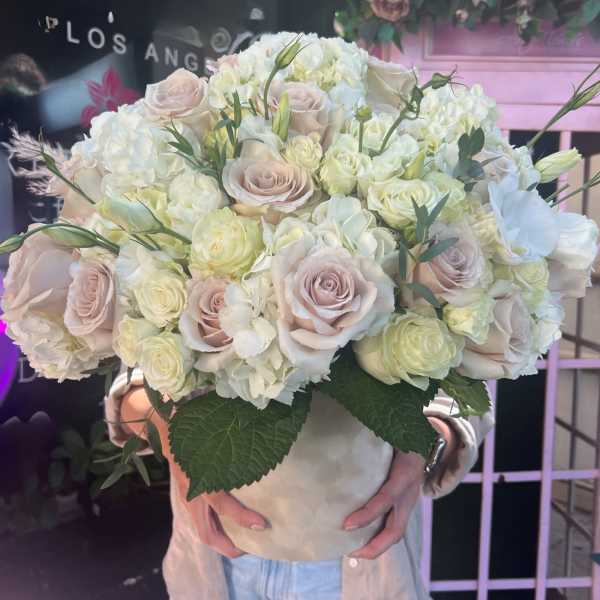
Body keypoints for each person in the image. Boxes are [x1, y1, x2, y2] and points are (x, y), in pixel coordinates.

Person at [106, 370, 493, 599]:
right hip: (217, 561)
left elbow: (467, 386)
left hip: (363, 561)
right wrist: (178, 443)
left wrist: (427, 442)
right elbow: (132, 386)